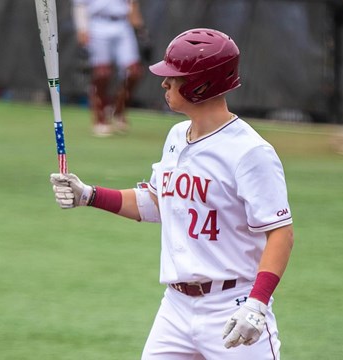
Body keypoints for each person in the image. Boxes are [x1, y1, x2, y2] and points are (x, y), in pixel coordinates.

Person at [51, 28, 294, 359]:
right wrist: (89, 194)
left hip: (233, 306)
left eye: (175, 77)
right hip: (175, 309)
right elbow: (156, 203)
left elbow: (280, 232)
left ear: (201, 84)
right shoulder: (178, 135)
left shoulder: (250, 152)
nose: (165, 83)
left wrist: (257, 303)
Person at [72, 0, 144, 137]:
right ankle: (100, 117)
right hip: (97, 23)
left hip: (123, 24)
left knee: (134, 72)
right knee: (102, 73)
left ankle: (118, 109)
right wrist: (82, 29)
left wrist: (139, 27)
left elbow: (132, 3)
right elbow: (80, 5)